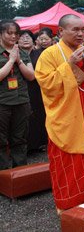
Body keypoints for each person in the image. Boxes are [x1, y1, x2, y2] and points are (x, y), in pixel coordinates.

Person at [35, 14, 84, 211]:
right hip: (68, 117)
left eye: (82, 30)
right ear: (61, 31)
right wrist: (68, 64)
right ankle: (69, 203)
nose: (80, 34)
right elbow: (47, 84)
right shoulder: (49, 54)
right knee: (69, 159)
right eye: (75, 30)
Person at [0, 21, 35, 170]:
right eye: (9, 33)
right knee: (1, 140)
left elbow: (31, 76)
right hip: (2, 103)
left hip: (21, 101)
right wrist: (11, 60)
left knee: (19, 139)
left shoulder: (22, 52)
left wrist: (19, 60)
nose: (13, 36)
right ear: (1, 33)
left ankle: (20, 174)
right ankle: (4, 175)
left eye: (16, 33)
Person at [18, 30, 48, 152]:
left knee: (39, 114)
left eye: (28, 37)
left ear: (34, 40)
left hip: (38, 88)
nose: (25, 39)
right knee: (24, 117)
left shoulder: (41, 54)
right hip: (21, 89)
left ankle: (40, 143)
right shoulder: (14, 54)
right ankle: (27, 145)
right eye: (22, 37)